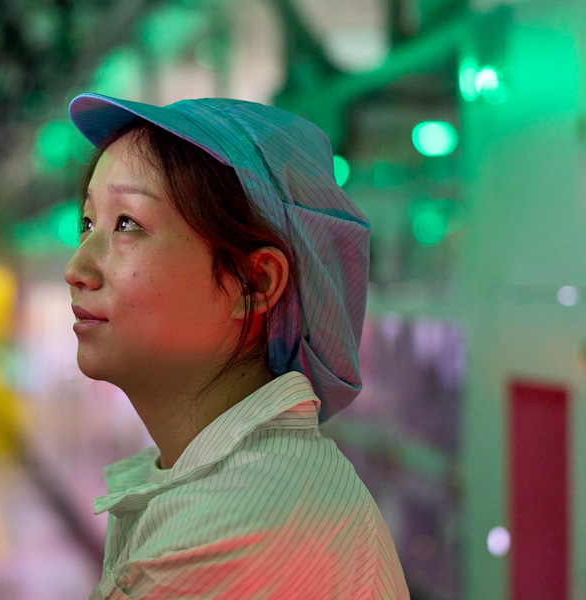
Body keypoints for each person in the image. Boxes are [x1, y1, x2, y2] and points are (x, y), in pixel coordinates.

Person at [64, 93, 409, 599]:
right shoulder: (249, 481)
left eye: (128, 224)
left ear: (256, 282)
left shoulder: (231, 531)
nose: (76, 269)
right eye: (88, 224)